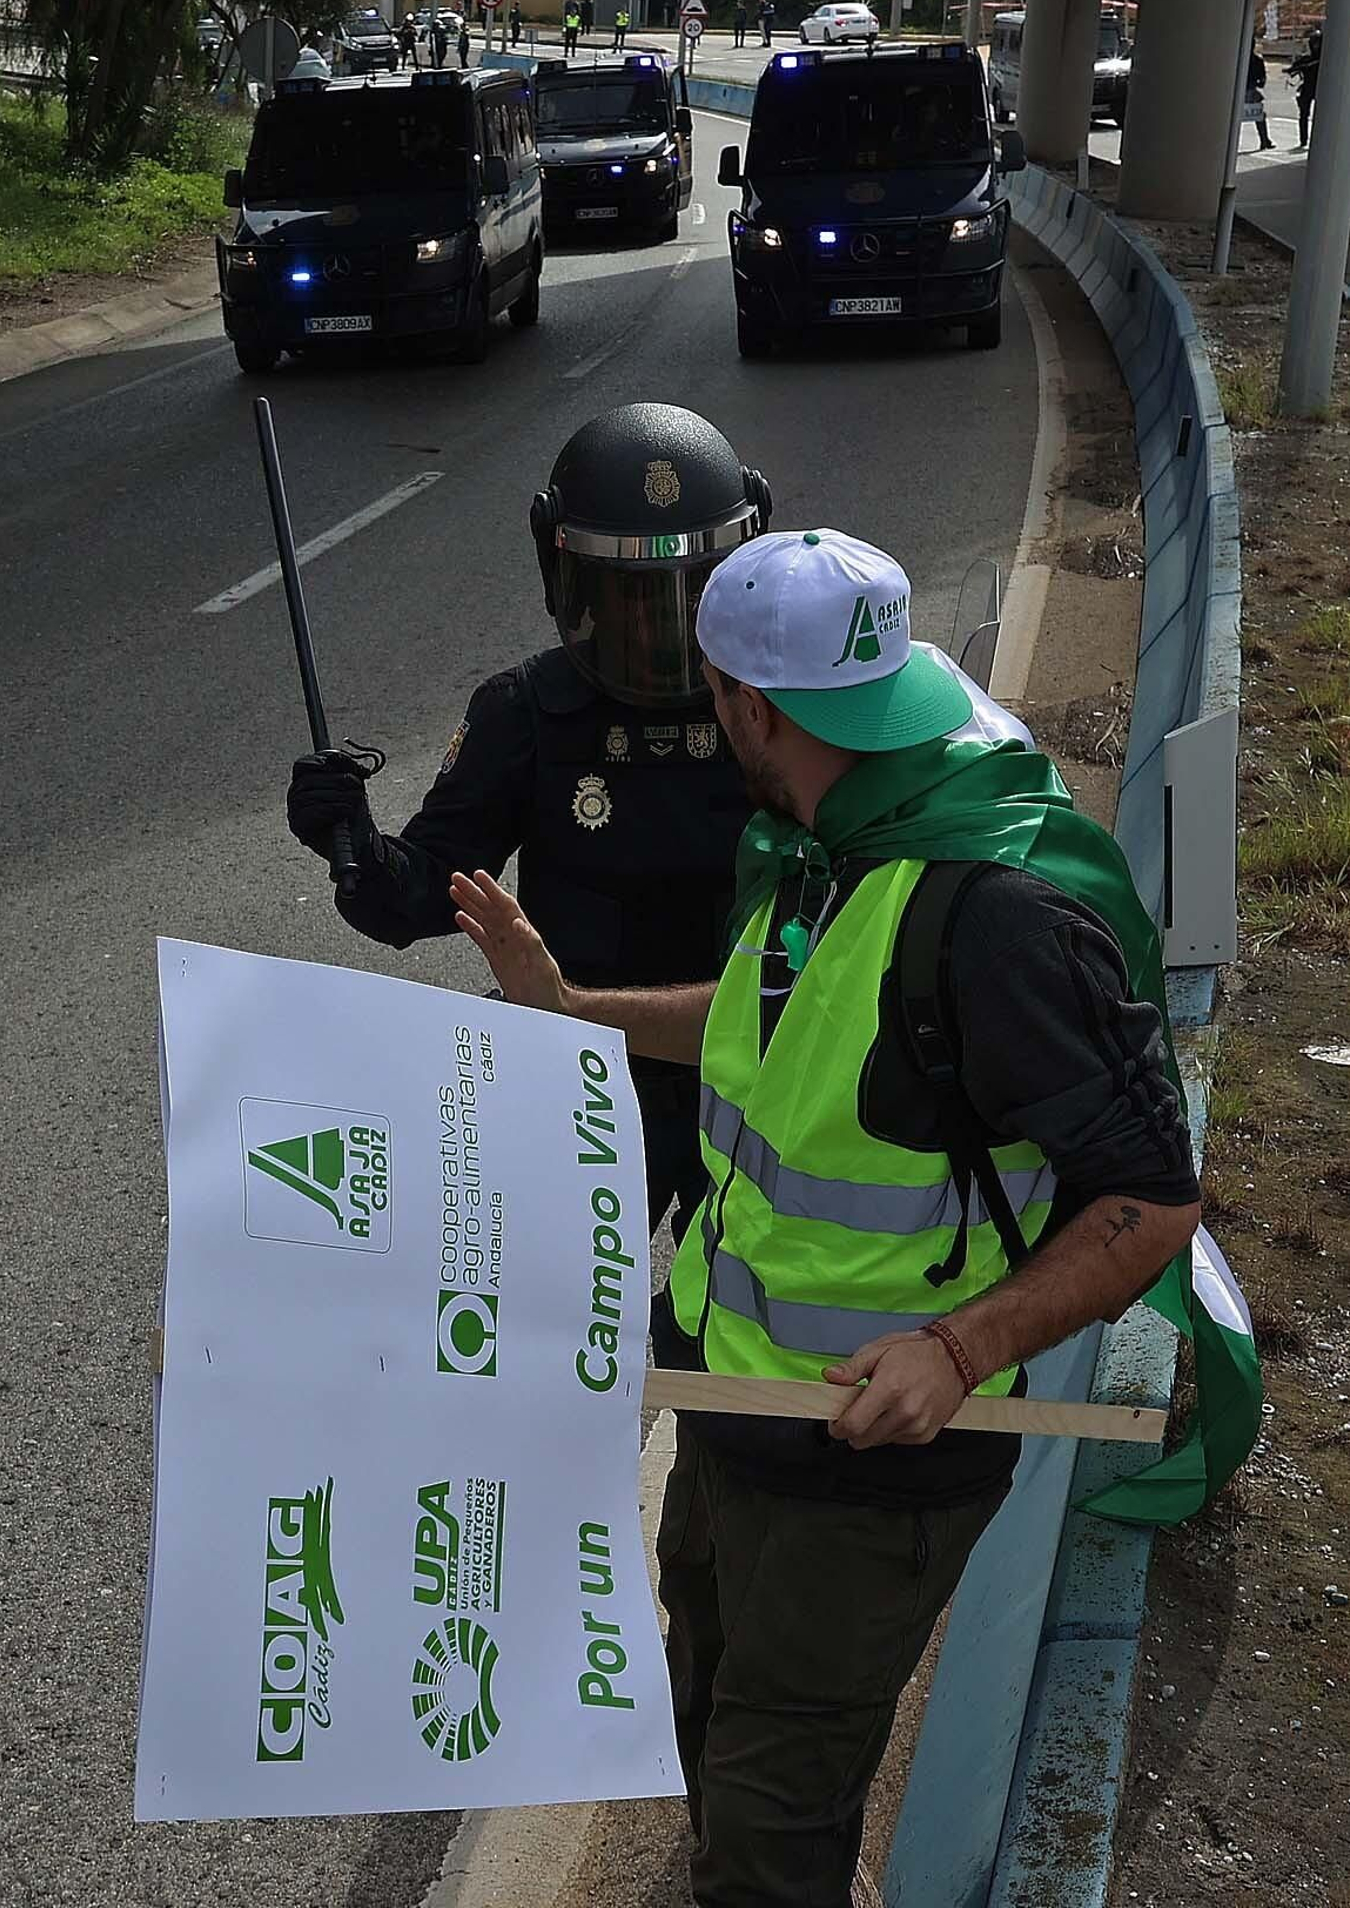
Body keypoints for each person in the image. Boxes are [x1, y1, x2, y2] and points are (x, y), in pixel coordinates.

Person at [453, 526, 1202, 1908]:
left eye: (713, 697)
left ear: (749, 707)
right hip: (737, 1413)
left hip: (876, 1468)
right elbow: (762, 1030)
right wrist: (569, 1012)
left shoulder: (994, 915)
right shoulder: (825, 837)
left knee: (769, 1811)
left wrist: (960, 1349)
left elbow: (1152, 1199)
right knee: (713, 1709)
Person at [287, 404, 774, 1241]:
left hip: (746, 1065)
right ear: (564, 577)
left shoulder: (773, 702)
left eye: (690, 591)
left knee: (729, 1331)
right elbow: (422, 895)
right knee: (540, 1323)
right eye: (630, 596)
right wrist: (353, 844)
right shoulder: (528, 713)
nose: (661, 626)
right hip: (573, 1073)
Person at [1289, 24, 1322, 150]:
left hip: (1320, 89)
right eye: (1314, 43)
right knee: (1303, 115)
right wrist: (1293, 69)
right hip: (1308, 88)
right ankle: (1303, 140)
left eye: (1317, 43)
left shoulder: (1326, 59)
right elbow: (1293, 69)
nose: (1315, 46)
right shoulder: (1306, 59)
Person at [1245, 39, 1273, 153]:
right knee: (1259, 116)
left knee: (1258, 115)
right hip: (1252, 90)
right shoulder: (1257, 60)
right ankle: (1264, 140)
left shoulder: (1236, 58)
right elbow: (1262, 82)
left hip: (1240, 92)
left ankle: (1265, 140)